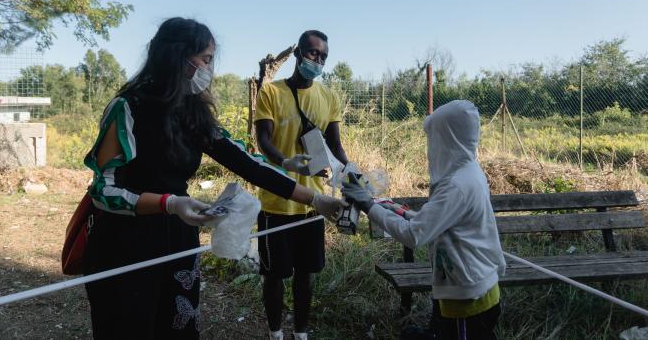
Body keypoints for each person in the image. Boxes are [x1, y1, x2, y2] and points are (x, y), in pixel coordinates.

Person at [82, 17, 345, 339]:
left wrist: (316, 199)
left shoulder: (193, 113)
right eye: (206, 59)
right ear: (177, 56)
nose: (210, 69)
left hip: (177, 237)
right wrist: (169, 203)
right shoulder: (128, 109)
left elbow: (248, 164)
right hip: (125, 243)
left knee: (178, 327)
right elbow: (103, 190)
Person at [342, 100, 506, 340]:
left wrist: (367, 205)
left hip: (469, 299)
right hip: (470, 288)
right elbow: (440, 223)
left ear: (447, 137)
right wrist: (397, 210)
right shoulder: (468, 172)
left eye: (434, 137)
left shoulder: (456, 185)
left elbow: (414, 235)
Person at [254, 29, 351, 340]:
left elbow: (335, 145)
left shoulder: (329, 97)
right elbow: (263, 139)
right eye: (312, 53)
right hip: (275, 201)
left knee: (306, 274)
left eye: (323, 56)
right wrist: (284, 162)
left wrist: (350, 175)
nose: (318, 60)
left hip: (313, 202)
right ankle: (275, 332)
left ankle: (302, 332)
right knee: (274, 275)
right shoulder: (270, 92)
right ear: (297, 53)